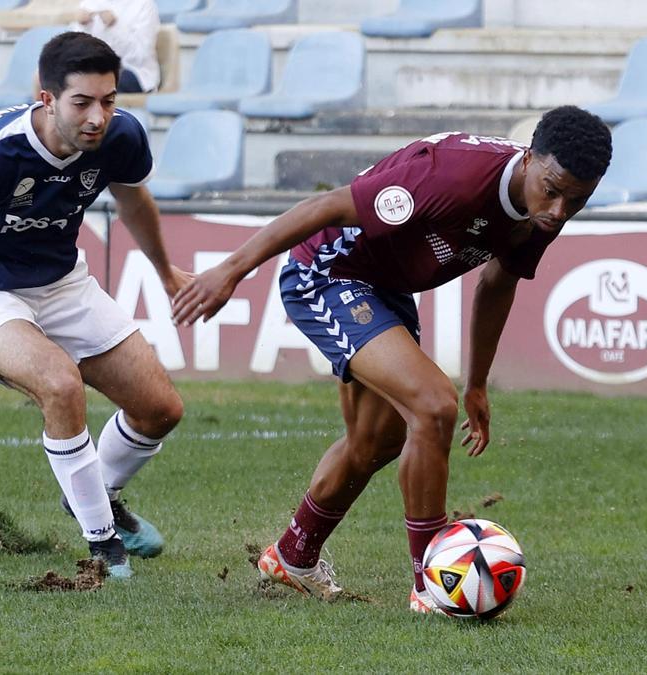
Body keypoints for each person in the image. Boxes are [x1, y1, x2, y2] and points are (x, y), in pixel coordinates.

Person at [172, 106, 613, 613]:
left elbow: (497, 282)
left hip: (386, 289)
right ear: (530, 157)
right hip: (328, 271)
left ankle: (293, 555)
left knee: (377, 441)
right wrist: (231, 269)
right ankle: (431, 581)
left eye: (577, 200)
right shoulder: (451, 175)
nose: (559, 210)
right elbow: (330, 207)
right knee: (432, 407)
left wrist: (477, 382)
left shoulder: (544, 211)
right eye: (553, 190)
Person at [0, 32, 188, 578]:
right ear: (46, 98)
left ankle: (93, 493)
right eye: (82, 102)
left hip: (61, 282)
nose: (97, 117)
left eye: (108, 101)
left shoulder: (121, 136)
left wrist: (165, 270)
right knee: (59, 386)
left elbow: (134, 201)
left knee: (160, 409)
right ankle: (104, 545)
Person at [71, 0, 161, 94]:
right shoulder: (89, 3)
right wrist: (83, 27)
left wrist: (115, 27)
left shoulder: (144, 5)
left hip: (134, 72)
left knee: (100, 82)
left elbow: (141, 55)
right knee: (65, 78)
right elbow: (77, 53)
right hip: (93, 69)